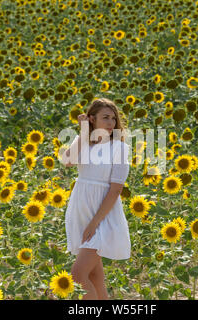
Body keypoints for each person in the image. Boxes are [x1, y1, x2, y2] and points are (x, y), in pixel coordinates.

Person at [61, 98, 131, 300]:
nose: (110, 122)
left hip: (103, 215)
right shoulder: (82, 142)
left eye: (113, 118)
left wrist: (94, 223)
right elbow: (68, 162)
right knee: (94, 276)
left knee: (77, 275)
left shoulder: (119, 148)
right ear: (92, 119)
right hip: (81, 209)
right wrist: (83, 132)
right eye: (105, 118)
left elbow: (116, 190)